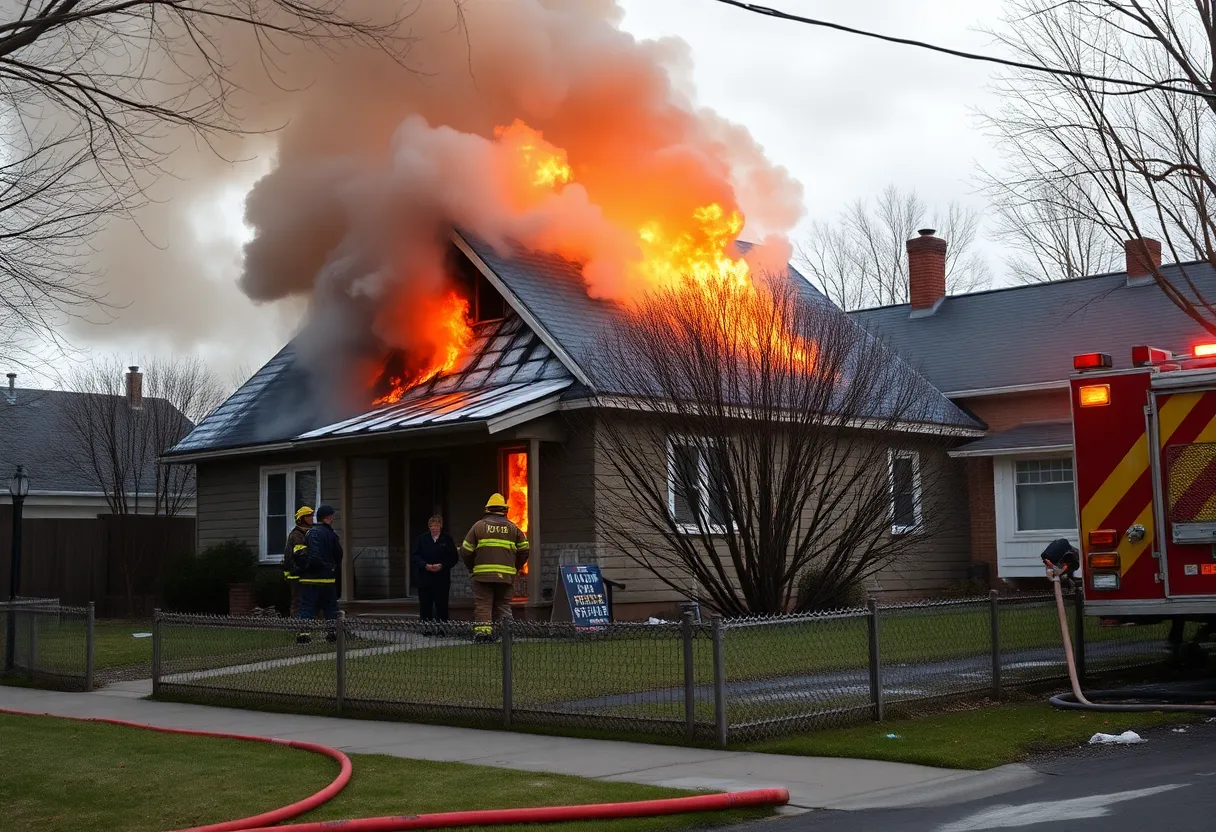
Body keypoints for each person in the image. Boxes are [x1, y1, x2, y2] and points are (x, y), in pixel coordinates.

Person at [462, 492, 529, 643]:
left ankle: (483, 636)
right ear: (504, 510)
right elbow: (525, 551)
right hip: (506, 577)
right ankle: (506, 636)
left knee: (483, 604)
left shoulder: (478, 526)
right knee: (503, 605)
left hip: (482, 576)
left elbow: (466, 551)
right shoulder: (513, 528)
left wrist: (472, 567)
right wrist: (515, 568)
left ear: (488, 509)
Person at [297, 504, 343, 644]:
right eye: (332, 516)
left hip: (310, 579)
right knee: (330, 607)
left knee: (307, 606)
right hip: (328, 579)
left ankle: (304, 633)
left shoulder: (311, 533)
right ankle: (332, 633)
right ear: (328, 517)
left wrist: (305, 568)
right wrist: (331, 569)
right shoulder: (332, 535)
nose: (333, 518)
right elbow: (339, 555)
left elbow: (306, 556)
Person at [411, 514, 459, 633]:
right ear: (429, 527)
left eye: (436, 526)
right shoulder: (422, 539)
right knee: (425, 605)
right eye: (432, 527)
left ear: (440, 526)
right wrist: (425, 565)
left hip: (441, 579)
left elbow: (453, 557)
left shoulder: (447, 539)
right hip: (424, 578)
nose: (434, 529)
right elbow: (415, 555)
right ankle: (426, 629)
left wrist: (442, 565)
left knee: (441, 605)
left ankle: (442, 629)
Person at [283, 506, 313, 618]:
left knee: (307, 599)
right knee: (297, 600)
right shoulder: (296, 535)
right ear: (302, 519)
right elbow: (301, 554)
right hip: (295, 573)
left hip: (304, 572)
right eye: (308, 516)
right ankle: (295, 622)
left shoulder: (308, 533)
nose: (311, 518)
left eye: (312, 515)